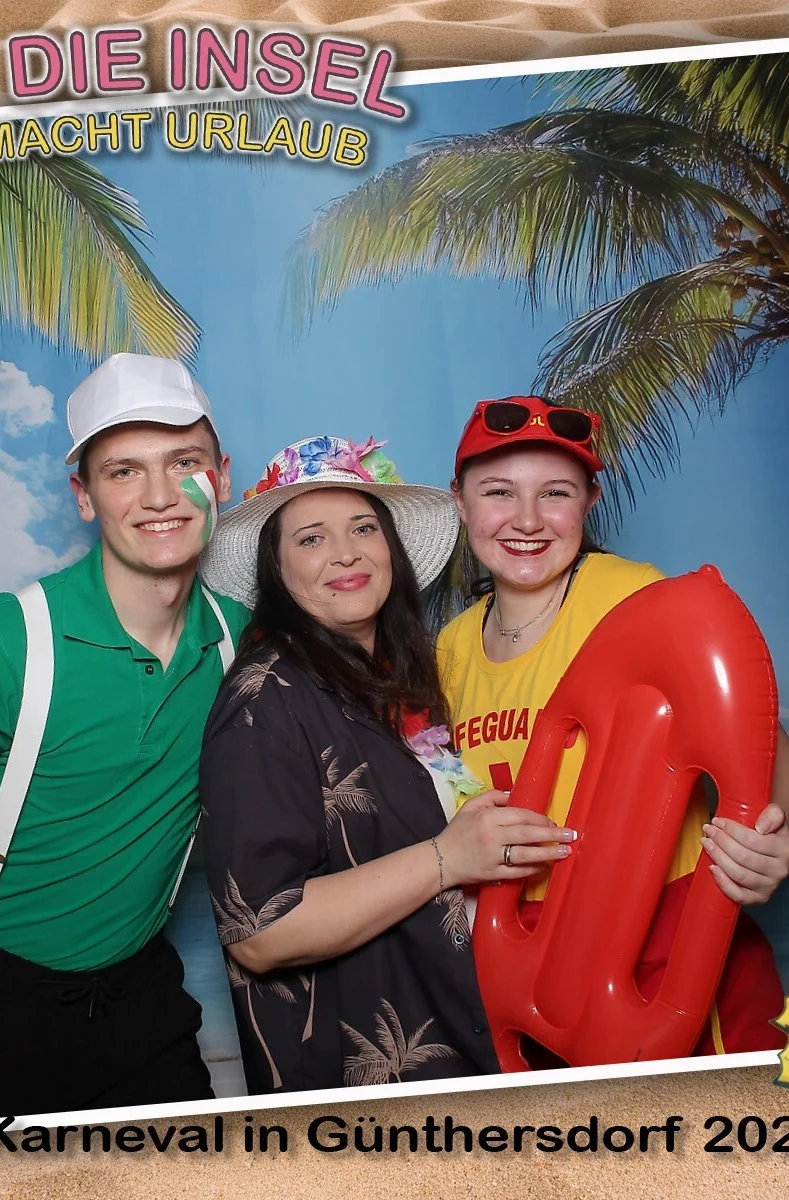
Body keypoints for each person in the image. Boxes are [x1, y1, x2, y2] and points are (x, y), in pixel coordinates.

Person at [0, 353, 249, 1123]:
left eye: (184, 463)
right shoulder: (4, 639)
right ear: (83, 496)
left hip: (142, 997)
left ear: (222, 478)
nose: (159, 496)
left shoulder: (243, 642)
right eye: (123, 472)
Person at [198, 436, 574, 1093]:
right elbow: (260, 930)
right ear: (276, 570)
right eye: (311, 538)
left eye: (363, 528)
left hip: (468, 1040)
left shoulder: (404, 680)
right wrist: (446, 859)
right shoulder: (264, 699)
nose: (345, 552)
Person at [436, 395, 789, 1058]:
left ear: (590, 501)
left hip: (668, 944)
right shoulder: (451, 646)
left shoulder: (635, 596)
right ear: (460, 503)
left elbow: (767, 749)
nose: (527, 519)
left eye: (555, 493)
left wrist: (761, 838)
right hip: (534, 963)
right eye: (498, 492)